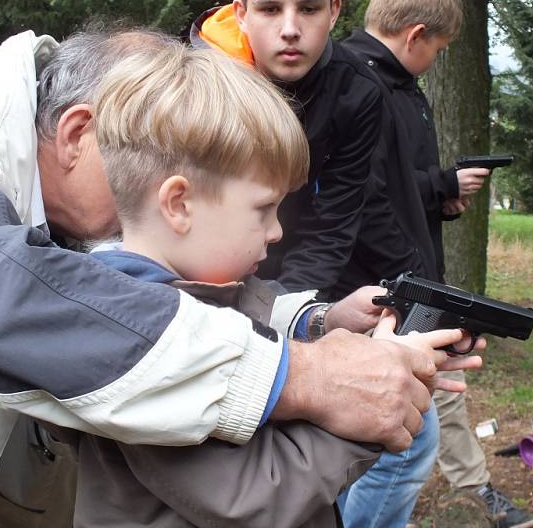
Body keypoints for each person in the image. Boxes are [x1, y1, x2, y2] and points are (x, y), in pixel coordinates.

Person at [0, 26, 441, 527]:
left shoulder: (20, 177)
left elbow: (112, 299)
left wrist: (311, 323)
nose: (150, 194)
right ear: (77, 133)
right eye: (136, 150)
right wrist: (317, 382)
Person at [55, 42, 482, 528]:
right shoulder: (141, 344)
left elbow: (251, 322)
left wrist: (334, 326)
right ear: (179, 205)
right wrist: (371, 406)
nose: (277, 231)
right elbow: (261, 497)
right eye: (263, 209)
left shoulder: (197, 293)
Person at [334, 0, 533, 528]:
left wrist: (440, 192)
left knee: (421, 421)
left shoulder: (399, 86)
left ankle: (472, 485)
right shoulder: (360, 84)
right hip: (379, 290)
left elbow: (396, 184)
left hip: (400, 277)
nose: (437, 60)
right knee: (404, 449)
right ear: (416, 34)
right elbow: (365, 200)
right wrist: (415, 281)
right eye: (440, 50)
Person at [190, 0, 386, 299]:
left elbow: (331, 225)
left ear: (333, 12)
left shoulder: (358, 92)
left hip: (298, 278)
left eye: (309, 9)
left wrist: (286, 311)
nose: (291, 30)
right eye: (270, 9)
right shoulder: (193, 84)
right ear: (241, 14)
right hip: (195, 279)